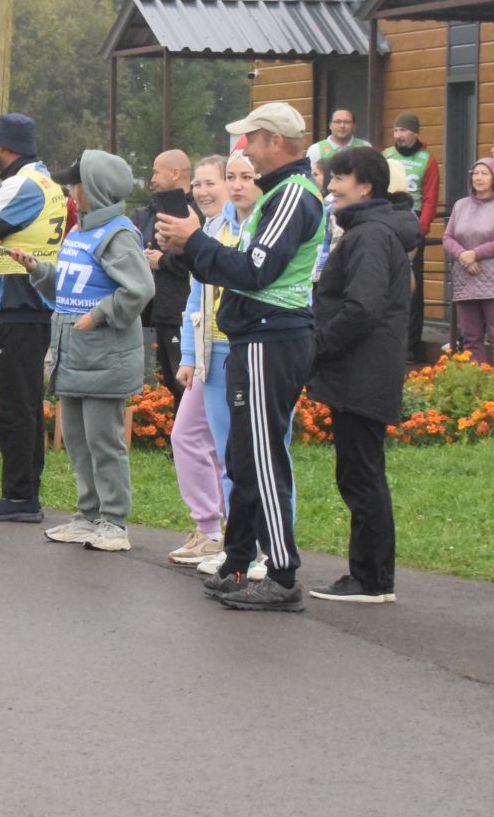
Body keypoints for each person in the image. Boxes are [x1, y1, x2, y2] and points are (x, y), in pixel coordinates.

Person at [156, 102, 325, 612]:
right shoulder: (279, 194)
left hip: (272, 335)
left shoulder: (292, 195)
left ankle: (280, 572)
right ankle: (238, 560)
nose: (243, 150)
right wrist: (190, 249)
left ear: (275, 141)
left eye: (249, 140)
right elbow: (237, 268)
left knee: (263, 457)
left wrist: (194, 243)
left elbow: (255, 271)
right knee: (242, 455)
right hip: (256, 336)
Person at [3, 150, 151, 551]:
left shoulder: (117, 234)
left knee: (105, 442)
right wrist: (39, 271)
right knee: (79, 442)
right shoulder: (78, 232)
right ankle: (88, 515)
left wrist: (100, 315)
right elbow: (67, 288)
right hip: (73, 357)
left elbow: (139, 289)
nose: (70, 190)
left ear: (96, 189)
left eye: (75, 183)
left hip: (104, 358)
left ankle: (114, 522)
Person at [307, 147, 420, 603]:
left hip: (362, 372)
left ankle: (372, 579)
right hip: (362, 370)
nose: (331, 186)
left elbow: (362, 307)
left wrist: (315, 346)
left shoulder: (370, 235)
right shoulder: (371, 230)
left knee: (361, 474)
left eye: (340, 178)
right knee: (359, 472)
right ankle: (370, 575)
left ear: (367, 187)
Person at [0, 112, 67, 523]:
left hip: (16, 303)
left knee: (12, 404)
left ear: (3, 148)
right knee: (25, 402)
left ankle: (20, 496)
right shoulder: (46, 182)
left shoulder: (20, 185)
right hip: (32, 303)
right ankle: (23, 492)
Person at [167, 155, 233, 567]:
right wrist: (189, 356)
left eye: (213, 183)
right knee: (185, 436)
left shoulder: (239, 229)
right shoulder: (206, 230)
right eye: (199, 184)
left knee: (229, 450)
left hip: (234, 353)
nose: (203, 192)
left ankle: (239, 537)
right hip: (207, 354)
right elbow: (196, 297)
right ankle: (209, 529)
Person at [130, 150, 194, 409]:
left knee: (183, 381)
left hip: (181, 306)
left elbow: (196, 257)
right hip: (159, 309)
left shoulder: (191, 211)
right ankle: (179, 445)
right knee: (169, 378)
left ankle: (188, 446)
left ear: (176, 173)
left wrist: (161, 261)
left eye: (157, 172)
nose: (153, 178)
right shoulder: (150, 211)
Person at [443, 156, 494, 366]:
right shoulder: (460, 206)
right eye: (475, 173)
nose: (479, 177)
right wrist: (463, 255)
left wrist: (476, 253)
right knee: (470, 337)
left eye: (485, 173)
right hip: (465, 278)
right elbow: (447, 237)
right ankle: (476, 381)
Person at [384, 113, 441, 360]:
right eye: (396, 131)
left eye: (404, 131)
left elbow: (430, 197)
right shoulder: (386, 155)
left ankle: (411, 342)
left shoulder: (427, 159)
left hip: (413, 221)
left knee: (412, 283)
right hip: (387, 218)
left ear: (415, 133)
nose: (399, 136)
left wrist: (423, 227)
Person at [306, 108, 368, 177]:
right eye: (338, 122)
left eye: (347, 122)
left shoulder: (365, 147)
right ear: (330, 125)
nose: (342, 126)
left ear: (354, 126)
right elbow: (310, 178)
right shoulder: (316, 149)